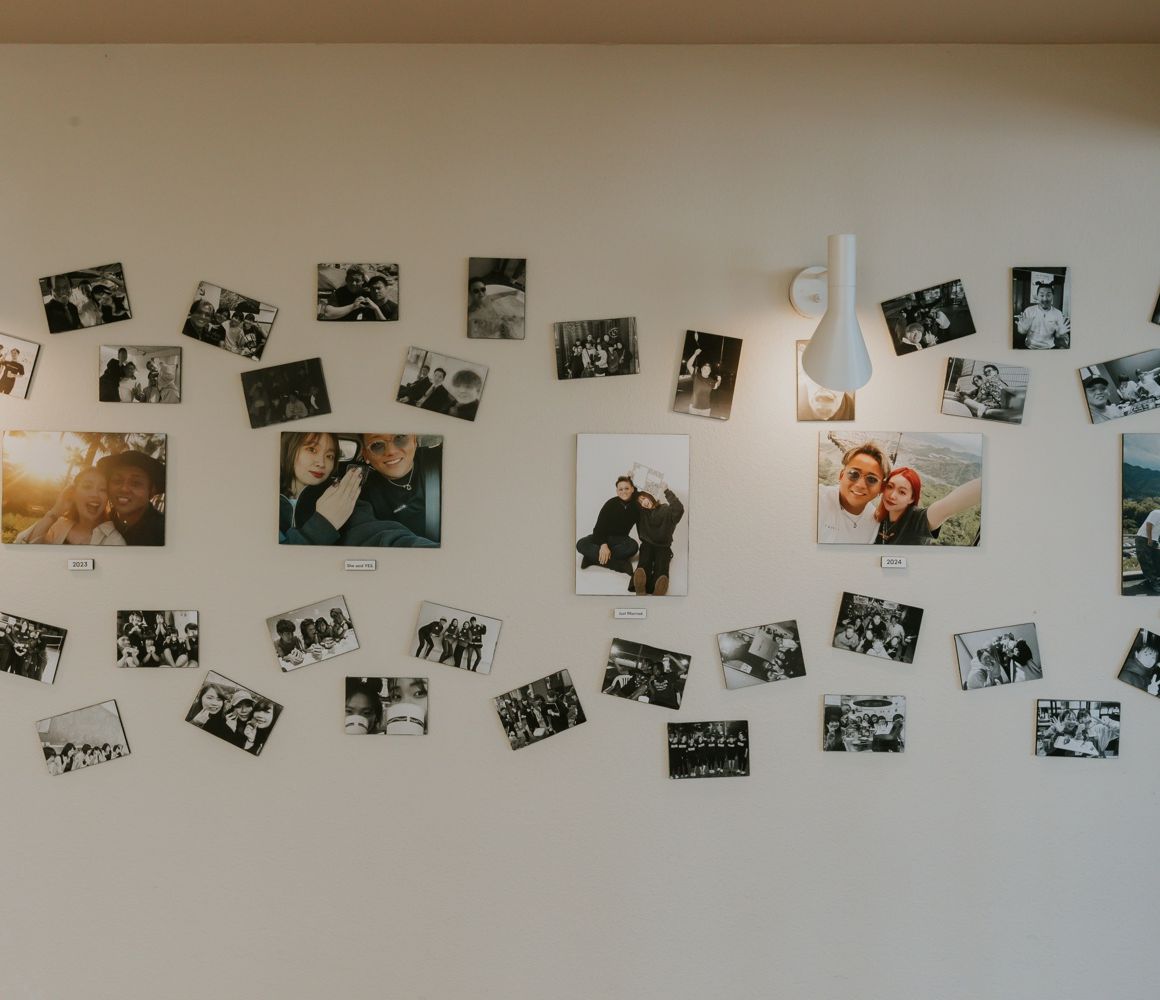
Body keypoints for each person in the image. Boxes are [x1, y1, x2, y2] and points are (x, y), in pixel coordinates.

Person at [297, 433, 441, 547]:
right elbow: (369, 533)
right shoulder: (359, 492)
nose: (391, 451)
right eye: (377, 445)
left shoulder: (442, 460)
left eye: (400, 437)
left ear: (414, 440)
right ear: (366, 455)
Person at [278, 431, 362, 545]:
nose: (322, 463)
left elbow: (370, 530)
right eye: (312, 449)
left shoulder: (340, 496)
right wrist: (323, 524)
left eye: (329, 456)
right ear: (288, 449)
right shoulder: (260, 496)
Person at [13, 465, 126, 545]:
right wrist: (55, 511)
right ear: (73, 493)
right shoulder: (57, 526)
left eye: (103, 489)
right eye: (87, 486)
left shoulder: (114, 540)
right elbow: (22, 550)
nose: (95, 494)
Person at [874, 467, 982, 545]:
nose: (892, 496)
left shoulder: (917, 520)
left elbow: (948, 506)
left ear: (912, 498)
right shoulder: (878, 517)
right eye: (890, 487)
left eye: (902, 492)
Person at [818, 442, 889, 543]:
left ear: (881, 488)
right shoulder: (817, 500)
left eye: (872, 479)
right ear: (841, 475)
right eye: (853, 474)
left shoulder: (875, 521)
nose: (860, 485)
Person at [96, 450, 165, 545]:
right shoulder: (99, 524)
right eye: (117, 481)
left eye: (135, 483)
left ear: (152, 490)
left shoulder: (164, 533)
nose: (124, 489)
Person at [576, 475, 640, 577]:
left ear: (632, 489)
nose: (624, 491)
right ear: (617, 491)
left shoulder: (636, 506)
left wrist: (630, 477)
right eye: (620, 489)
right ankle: (619, 565)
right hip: (603, 537)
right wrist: (603, 545)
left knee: (634, 546)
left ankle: (591, 559)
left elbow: (639, 494)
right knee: (581, 544)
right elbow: (598, 528)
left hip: (621, 539)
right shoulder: (610, 504)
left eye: (627, 488)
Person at [632, 485, 685, 596]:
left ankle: (659, 586)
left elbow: (679, 509)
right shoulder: (642, 512)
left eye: (644, 498)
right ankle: (640, 584)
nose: (643, 503)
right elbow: (632, 497)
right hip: (647, 544)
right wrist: (632, 480)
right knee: (645, 560)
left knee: (662, 563)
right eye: (640, 502)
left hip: (663, 546)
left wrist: (666, 490)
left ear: (650, 496)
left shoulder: (666, 510)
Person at [1016, 281, 1069, 349]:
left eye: (1048, 295)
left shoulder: (1058, 313)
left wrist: (1059, 334)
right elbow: (1021, 331)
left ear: (1052, 296)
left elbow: (1058, 335)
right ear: (1037, 296)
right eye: (1041, 295)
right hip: (1030, 347)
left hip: (1049, 347)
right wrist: (1023, 329)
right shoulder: (1029, 311)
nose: (1045, 299)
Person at [684, 344, 722, 417]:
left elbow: (716, 386)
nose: (706, 370)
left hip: (706, 409)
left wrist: (719, 380)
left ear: (710, 371)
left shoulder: (711, 380)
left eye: (708, 369)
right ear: (701, 369)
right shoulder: (696, 375)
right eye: (704, 368)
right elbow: (688, 365)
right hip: (693, 408)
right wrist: (695, 354)